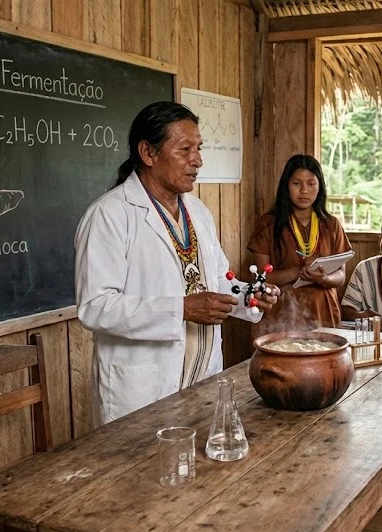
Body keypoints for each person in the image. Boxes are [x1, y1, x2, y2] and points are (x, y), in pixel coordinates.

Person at [75, 101, 279, 425]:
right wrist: (181, 309)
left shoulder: (196, 211)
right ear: (148, 153)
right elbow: (96, 306)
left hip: (201, 380)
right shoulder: (110, 216)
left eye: (198, 148)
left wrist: (250, 295)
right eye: (185, 149)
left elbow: (216, 282)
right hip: (143, 391)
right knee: (142, 473)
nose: (197, 160)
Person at [247, 154, 351, 336]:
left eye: (311, 183)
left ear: (320, 186)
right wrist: (297, 272)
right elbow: (261, 278)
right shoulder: (269, 224)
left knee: (324, 358)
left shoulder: (331, 225)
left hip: (323, 311)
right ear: (286, 186)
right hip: (282, 313)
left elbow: (341, 275)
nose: (304, 190)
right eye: (296, 183)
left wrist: (324, 279)